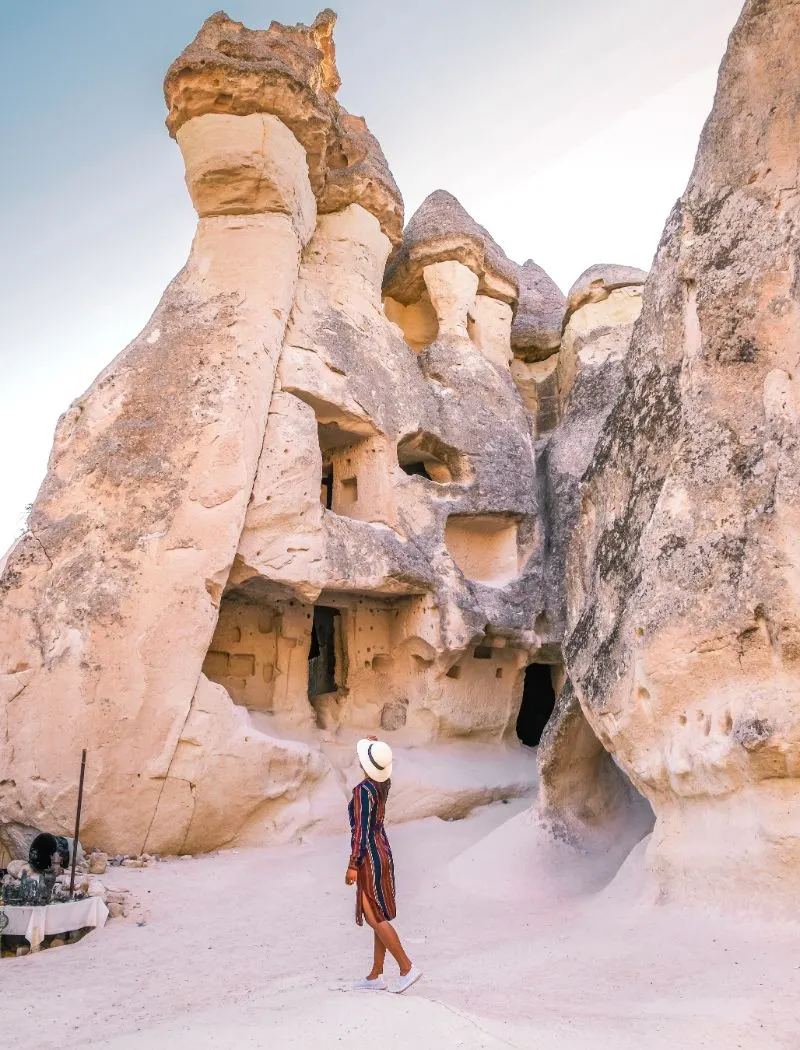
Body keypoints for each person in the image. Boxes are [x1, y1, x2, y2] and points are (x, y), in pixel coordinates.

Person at [346, 735, 422, 994]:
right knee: (379, 914)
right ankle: (376, 974)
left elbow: (360, 833)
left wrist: (353, 864)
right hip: (383, 851)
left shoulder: (361, 792)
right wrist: (372, 747)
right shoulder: (382, 785)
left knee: (374, 916)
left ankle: (406, 967)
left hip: (369, 857)